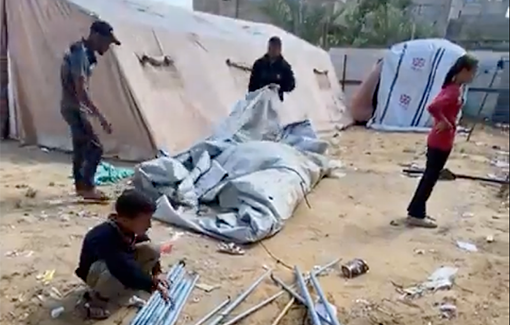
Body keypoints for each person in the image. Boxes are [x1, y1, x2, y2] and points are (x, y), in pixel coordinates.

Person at [406, 55, 478, 229]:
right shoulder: (453, 90)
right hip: (440, 141)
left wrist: (446, 120)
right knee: (430, 177)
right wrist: (444, 121)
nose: (473, 77)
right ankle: (416, 213)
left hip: (441, 140)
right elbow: (433, 107)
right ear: (463, 71)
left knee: (430, 176)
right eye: (472, 73)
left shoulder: (452, 87)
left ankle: (416, 210)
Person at [75, 189, 168, 319]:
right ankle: (96, 300)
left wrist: (157, 272)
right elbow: (122, 268)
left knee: (152, 249)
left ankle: (126, 288)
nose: (150, 225)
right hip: (97, 273)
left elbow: (146, 245)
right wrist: (152, 285)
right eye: (145, 220)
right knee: (116, 273)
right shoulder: (105, 236)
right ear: (125, 220)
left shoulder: (126, 227)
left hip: (117, 265)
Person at [60, 20, 120, 201]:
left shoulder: (83, 53)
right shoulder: (80, 54)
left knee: (81, 147)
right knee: (95, 147)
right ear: (95, 36)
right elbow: (81, 89)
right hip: (76, 108)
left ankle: (81, 187)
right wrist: (101, 117)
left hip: (71, 107)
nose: (108, 47)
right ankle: (88, 187)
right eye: (107, 42)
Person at [248, 36, 296, 101]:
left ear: (279, 49)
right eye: (270, 48)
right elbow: (252, 84)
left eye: (274, 49)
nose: (272, 51)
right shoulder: (259, 64)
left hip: (275, 102)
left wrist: (279, 87)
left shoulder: (284, 67)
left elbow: (291, 85)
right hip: (259, 100)